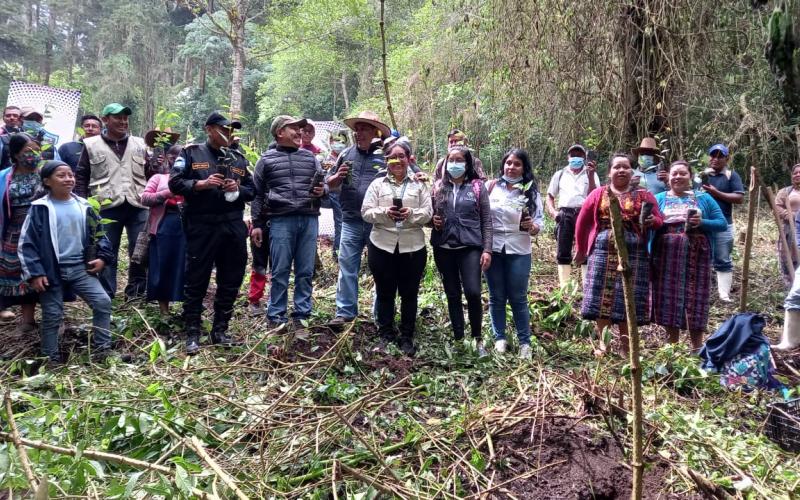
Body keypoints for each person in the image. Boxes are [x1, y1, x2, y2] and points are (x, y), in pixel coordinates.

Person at [169, 111, 254, 354]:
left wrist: (237, 189)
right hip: (201, 224)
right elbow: (174, 183)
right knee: (196, 278)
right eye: (223, 129)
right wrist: (200, 184)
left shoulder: (238, 158)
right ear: (209, 129)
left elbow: (253, 190)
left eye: (231, 130)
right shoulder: (191, 153)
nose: (228, 134)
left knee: (231, 278)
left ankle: (220, 330)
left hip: (232, 225)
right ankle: (192, 333)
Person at [18, 161, 114, 364]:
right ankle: (50, 358)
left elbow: (100, 234)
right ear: (47, 181)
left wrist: (103, 258)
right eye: (61, 176)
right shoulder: (40, 208)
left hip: (80, 268)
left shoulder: (84, 206)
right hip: (51, 271)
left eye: (70, 175)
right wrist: (35, 273)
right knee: (52, 314)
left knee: (102, 302)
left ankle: (103, 350)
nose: (68, 179)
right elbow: (27, 243)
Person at [574, 153, 663, 356]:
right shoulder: (598, 194)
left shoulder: (644, 195)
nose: (621, 170)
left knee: (627, 297)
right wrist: (580, 248)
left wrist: (652, 222)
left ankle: (626, 347)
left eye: (625, 167)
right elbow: (582, 221)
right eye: (617, 167)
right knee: (601, 298)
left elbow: (659, 219)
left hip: (634, 253)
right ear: (609, 172)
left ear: (632, 171)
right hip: (602, 251)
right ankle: (603, 344)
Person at [250, 116, 325, 327]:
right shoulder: (266, 160)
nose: (299, 132)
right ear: (280, 132)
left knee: (305, 270)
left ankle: (302, 315)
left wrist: (323, 190)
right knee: (280, 270)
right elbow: (257, 194)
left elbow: (324, 185)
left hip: (309, 218)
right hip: (280, 220)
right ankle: (276, 315)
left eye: (300, 128)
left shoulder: (310, 158)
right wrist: (257, 224)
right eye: (293, 128)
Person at [361, 141, 432, 356]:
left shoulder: (419, 185)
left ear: (409, 159)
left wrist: (411, 214)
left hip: (413, 247)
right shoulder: (377, 184)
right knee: (385, 292)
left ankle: (407, 336)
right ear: (386, 160)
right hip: (381, 245)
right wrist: (385, 213)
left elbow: (428, 213)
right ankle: (385, 334)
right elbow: (366, 212)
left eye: (402, 156)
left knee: (409, 293)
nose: (397, 160)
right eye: (393, 156)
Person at [75, 103, 149, 300]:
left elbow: (150, 173)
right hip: (106, 206)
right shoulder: (91, 144)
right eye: (118, 118)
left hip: (138, 204)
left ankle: (136, 293)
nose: (123, 122)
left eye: (125, 118)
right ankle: (106, 294)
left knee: (140, 250)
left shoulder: (140, 144)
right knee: (107, 250)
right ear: (105, 120)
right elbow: (81, 175)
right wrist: (82, 205)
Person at [325, 110, 392, 327]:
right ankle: (345, 312)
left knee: (380, 270)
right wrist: (337, 176)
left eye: (364, 129)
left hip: (378, 222)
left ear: (375, 132)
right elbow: (329, 184)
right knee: (347, 267)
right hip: (350, 220)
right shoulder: (346, 154)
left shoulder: (386, 155)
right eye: (357, 129)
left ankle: (380, 315)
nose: (359, 133)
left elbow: (408, 175)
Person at [651, 161, 726, 351]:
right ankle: (672, 348)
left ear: (690, 177)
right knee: (669, 297)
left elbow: (721, 223)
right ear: (668, 177)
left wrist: (702, 222)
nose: (678, 177)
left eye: (683, 173)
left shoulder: (704, 198)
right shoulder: (658, 198)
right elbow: (651, 223)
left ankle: (696, 348)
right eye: (674, 173)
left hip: (697, 254)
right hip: (666, 255)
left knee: (696, 297)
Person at [431, 145, 492, 355]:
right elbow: (429, 216)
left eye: (459, 160)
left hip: (470, 248)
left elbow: (487, 220)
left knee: (473, 292)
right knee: (452, 294)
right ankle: (459, 339)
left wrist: (487, 249)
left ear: (467, 164)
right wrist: (432, 221)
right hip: (443, 248)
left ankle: (477, 339)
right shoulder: (438, 187)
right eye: (451, 160)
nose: (454, 164)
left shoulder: (477, 187)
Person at [484, 148, 543, 359]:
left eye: (517, 164)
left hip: (519, 249)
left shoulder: (530, 192)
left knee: (518, 297)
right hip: (493, 248)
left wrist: (532, 227)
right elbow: (481, 215)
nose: (511, 167)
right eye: (508, 163)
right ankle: (499, 338)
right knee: (496, 296)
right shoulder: (490, 187)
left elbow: (540, 221)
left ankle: (525, 342)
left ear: (524, 168)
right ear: (503, 165)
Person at [0, 134, 42, 328]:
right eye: (28, 151)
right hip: (13, 231)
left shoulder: (45, 174)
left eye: (37, 150)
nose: (33, 154)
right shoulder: (4, 177)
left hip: (39, 232)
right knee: (10, 272)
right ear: (16, 154)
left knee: (32, 272)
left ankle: (28, 320)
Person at [545, 144, 599, 287]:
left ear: (584, 158)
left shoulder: (591, 173)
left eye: (579, 155)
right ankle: (564, 288)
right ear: (568, 157)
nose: (576, 158)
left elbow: (595, 195)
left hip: (585, 213)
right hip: (565, 213)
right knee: (563, 249)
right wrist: (553, 212)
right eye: (573, 155)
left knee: (586, 249)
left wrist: (591, 176)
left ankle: (587, 286)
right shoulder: (560, 174)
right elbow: (550, 196)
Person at [140, 145, 185, 316]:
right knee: (162, 265)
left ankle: (188, 308)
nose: (177, 161)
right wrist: (167, 193)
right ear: (168, 158)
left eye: (182, 157)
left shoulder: (193, 179)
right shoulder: (159, 178)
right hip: (164, 225)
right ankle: (164, 311)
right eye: (174, 157)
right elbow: (145, 198)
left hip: (188, 226)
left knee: (186, 265)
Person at [701, 143, 744, 302]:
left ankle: (724, 295)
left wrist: (716, 192)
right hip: (702, 223)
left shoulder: (731, 176)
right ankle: (702, 292)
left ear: (727, 159)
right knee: (701, 257)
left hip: (723, 224)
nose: (716, 159)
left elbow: (739, 198)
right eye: (713, 155)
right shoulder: (702, 175)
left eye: (720, 156)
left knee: (723, 258)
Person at [323, 130, 348, 259]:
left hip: (345, 194)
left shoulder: (346, 156)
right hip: (334, 194)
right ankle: (337, 253)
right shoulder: (327, 159)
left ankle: (339, 252)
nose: (339, 144)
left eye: (342, 141)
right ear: (331, 142)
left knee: (343, 223)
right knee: (340, 223)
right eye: (336, 141)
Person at [774, 163, 800, 287]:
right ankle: (790, 286)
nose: (798, 175)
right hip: (789, 229)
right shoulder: (785, 192)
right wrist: (792, 216)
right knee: (788, 258)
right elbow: (777, 208)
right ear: (791, 176)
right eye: (795, 173)